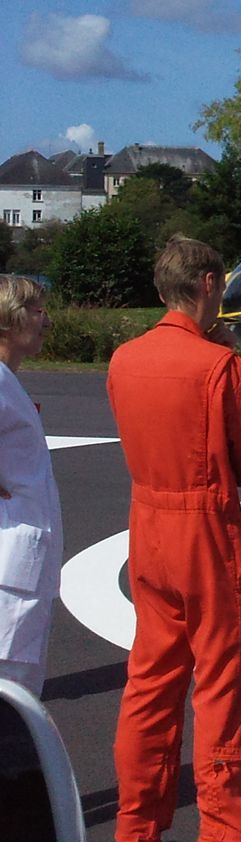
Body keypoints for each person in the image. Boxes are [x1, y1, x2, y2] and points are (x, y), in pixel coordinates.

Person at [105, 236, 241, 842]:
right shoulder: (219, 365)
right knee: (221, 683)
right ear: (208, 284)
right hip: (204, 529)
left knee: (150, 680)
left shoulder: (125, 359)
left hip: (148, 523)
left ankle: (134, 836)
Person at [0, 275, 61, 697]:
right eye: (37, 311)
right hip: (9, 566)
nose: (47, 321)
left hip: (20, 562)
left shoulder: (8, 379)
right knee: (13, 697)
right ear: (8, 319)